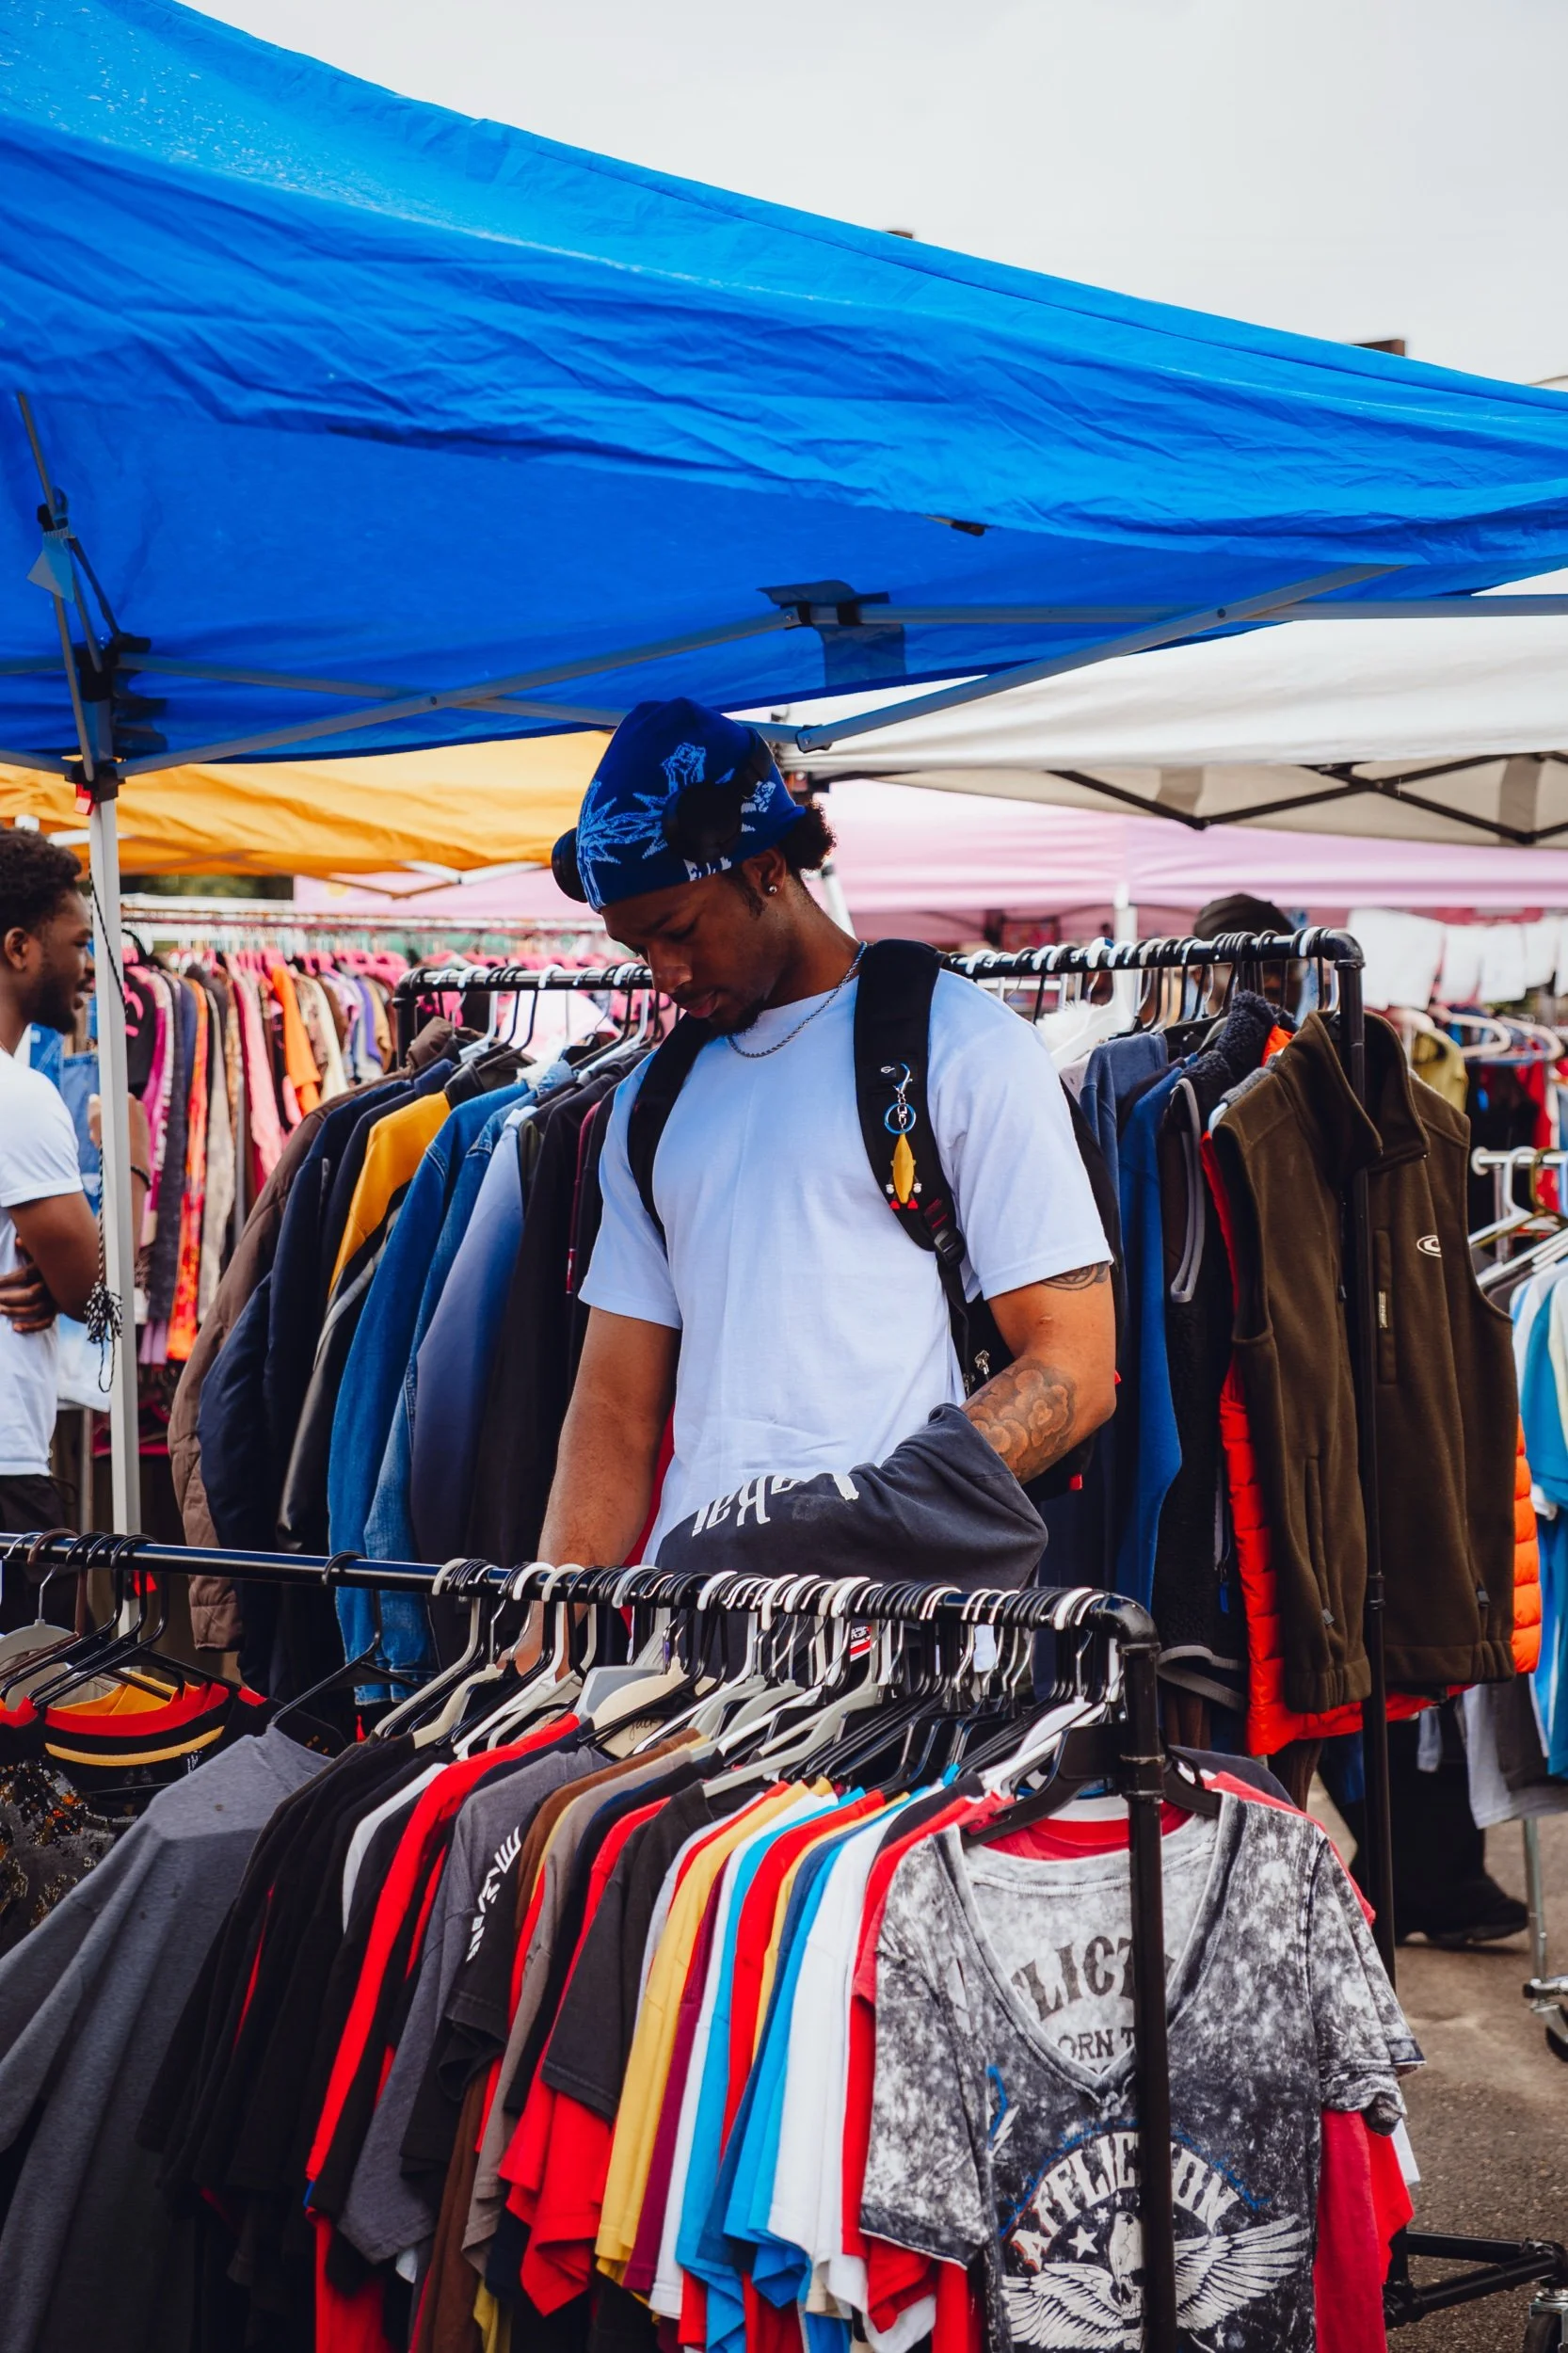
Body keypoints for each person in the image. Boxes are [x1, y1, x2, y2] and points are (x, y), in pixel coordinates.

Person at [538, 698, 1114, 1580]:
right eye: (636, 947)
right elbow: (615, 1404)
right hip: (695, 1620)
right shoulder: (649, 1103)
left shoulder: (961, 1047)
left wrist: (861, 1520)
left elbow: (1073, 1364)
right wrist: (560, 1600)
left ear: (766, 868)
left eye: (680, 931)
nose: (666, 974)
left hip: (899, 1624)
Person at [0, 830, 148, 1613]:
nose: (89, 965)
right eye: (79, 942)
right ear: (19, 948)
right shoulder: (19, 1098)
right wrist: (133, 1160)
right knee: (36, 1686)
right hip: (5, 1470)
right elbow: (104, 1309)